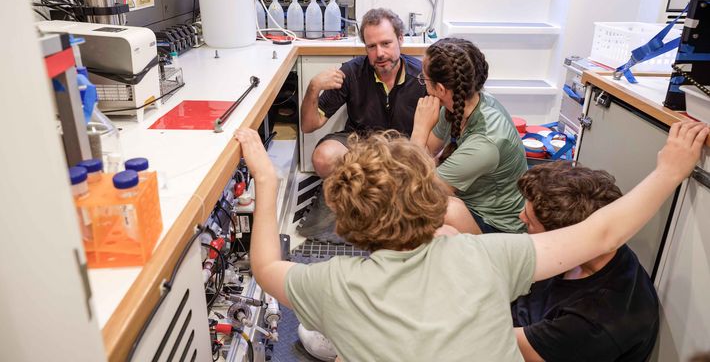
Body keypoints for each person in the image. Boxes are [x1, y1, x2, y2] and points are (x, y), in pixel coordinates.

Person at [235, 121, 708, 362]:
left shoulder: (330, 284)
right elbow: (602, 231)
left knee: (315, 337)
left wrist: (266, 179)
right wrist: (670, 169)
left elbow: (264, 267)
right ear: (430, 199)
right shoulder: (491, 255)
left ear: (346, 224)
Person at [299, 10, 476, 237]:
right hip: (361, 144)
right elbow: (308, 125)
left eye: (386, 43)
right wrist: (313, 88)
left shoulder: (423, 78)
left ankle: (368, 203)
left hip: (405, 148)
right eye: (371, 46)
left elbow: (442, 133)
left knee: (426, 162)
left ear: (401, 39)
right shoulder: (351, 72)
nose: (379, 53)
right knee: (323, 156)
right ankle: (380, 201)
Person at [511, 161, 659, 362]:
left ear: (562, 238)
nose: (521, 217)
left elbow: (500, 343)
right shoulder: (600, 252)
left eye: (529, 220)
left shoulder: (593, 323)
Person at [411, 37, 528, 233]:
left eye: (424, 79)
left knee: (426, 212)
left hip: (498, 224)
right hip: (471, 201)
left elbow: (418, 191)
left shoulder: (485, 142)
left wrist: (419, 130)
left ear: (440, 89)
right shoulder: (460, 103)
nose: (423, 83)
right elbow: (428, 151)